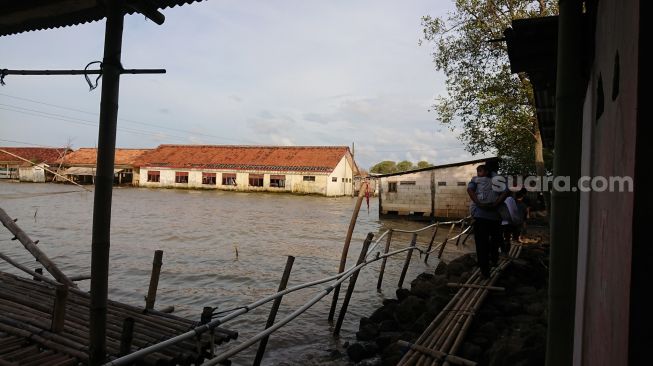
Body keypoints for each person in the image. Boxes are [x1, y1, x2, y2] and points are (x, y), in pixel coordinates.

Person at [467, 165, 508, 278]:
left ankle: (485, 272)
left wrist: (479, 203)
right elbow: (505, 192)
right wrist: (496, 203)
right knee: (495, 241)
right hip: (495, 217)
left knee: (481, 244)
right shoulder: (499, 179)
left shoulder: (475, 180)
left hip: (480, 217)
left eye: (480, 171)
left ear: (485, 171)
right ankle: (494, 262)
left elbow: (469, 190)